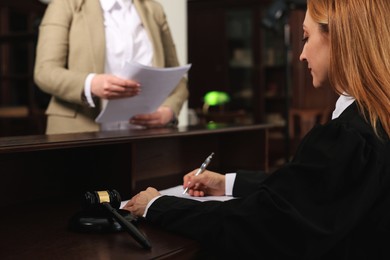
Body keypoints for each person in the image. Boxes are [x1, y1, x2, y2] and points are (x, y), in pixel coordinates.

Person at [124, 0, 390, 258]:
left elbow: (264, 225)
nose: (301, 54)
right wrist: (226, 183)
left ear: (338, 38)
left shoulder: (348, 137)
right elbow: (310, 189)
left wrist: (157, 205)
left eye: (305, 37)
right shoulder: (374, 123)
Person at [34, 0, 188, 134]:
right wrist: (91, 84)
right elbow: (45, 71)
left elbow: (177, 79)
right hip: (78, 134)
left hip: (144, 137)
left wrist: (169, 111)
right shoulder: (65, 4)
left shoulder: (154, 10)